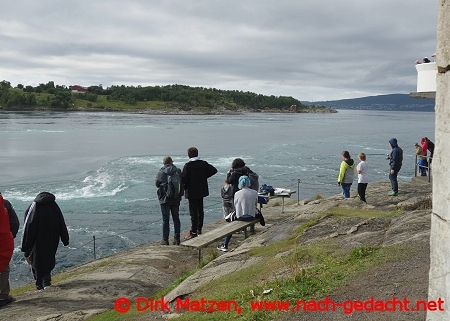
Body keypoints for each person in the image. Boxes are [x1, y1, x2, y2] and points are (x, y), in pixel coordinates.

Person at [21, 191, 69, 291]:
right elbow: (61, 222)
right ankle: (47, 282)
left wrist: (26, 248)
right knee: (49, 257)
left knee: (36, 260)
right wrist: (65, 239)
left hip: (36, 240)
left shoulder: (34, 206)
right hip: (52, 237)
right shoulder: (54, 206)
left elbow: (28, 227)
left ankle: (39, 284)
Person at [181, 147, 217, 239]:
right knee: (200, 210)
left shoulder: (187, 166)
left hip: (191, 191)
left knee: (193, 212)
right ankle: (199, 229)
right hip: (201, 190)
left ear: (189, 155)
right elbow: (214, 170)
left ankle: (193, 231)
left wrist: (184, 187)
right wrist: (203, 177)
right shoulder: (203, 164)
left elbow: (184, 179)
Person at [217, 175, 258, 251]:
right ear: (248, 182)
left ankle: (225, 244)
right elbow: (255, 204)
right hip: (251, 216)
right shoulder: (255, 192)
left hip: (240, 217)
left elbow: (235, 206)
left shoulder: (237, 193)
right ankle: (251, 231)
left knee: (231, 225)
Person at [156, 156, 182, 245]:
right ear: (172, 162)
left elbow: (157, 184)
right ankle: (177, 238)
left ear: (163, 163)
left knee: (165, 220)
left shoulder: (161, 172)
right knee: (176, 218)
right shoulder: (177, 171)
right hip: (176, 198)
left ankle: (165, 240)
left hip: (165, 199)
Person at [0, 194, 15, 308]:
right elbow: (14, 223)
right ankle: (3, 296)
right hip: (3, 242)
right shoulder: (5, 205)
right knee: (4, 268)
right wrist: (11, 235)